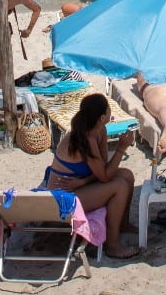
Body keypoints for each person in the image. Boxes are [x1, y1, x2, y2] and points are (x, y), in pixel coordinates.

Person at [39, 93, 140, 260]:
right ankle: (113, 246)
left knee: (127, 175)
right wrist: (121, 149)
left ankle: (123, 224)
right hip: (61, 197)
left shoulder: (100, 131)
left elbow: (103, 170)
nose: (110, 113)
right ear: (101, 117)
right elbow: (106, 177)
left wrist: (84, 181)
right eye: (108, 111)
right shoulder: (86, 138)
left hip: (77, 185)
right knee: (119, 186)